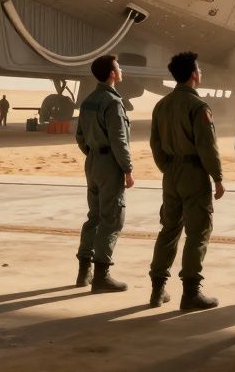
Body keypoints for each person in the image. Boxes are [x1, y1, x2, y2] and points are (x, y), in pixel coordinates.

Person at [148, 52, 226, 310]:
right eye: (199, 69)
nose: (200, 73)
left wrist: (168, 168)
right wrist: (217, 177)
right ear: (193, 74)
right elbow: (207, 147)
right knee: (198, 231)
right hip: (193, 173)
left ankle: (157, 290)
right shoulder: (198, 106)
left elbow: (155, 144)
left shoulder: (162, 105)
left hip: (171, 173)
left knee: (169, 229)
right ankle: (191, 292)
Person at [75, 55, 134, 293]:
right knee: (112, 218)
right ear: (112, 73)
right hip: (110, 164)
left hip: (92, 162)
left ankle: (83, 272)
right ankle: (102, 276)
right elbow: (119, 140)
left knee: (94, 216)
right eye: (118, 66)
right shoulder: (113, 102)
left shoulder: (89, 100)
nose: (121, 69)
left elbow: (80, 135)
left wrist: (93, 153)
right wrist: (127, 169)